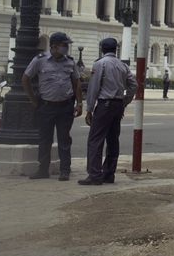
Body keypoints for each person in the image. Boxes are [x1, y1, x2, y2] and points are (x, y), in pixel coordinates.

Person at [22, 32, 83, 181]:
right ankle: (43, 169)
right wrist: (33, 100)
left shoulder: (70, 62)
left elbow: (77, 83)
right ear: (54, 46)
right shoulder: (40, 60)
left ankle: (65, 171)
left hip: (65, 106)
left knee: (64, 140)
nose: (66, 48)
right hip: (46, 106)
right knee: (44, 139)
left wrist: (79, 103)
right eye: (64, 45)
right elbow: (25, 78)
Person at [79, 38, 137, 186]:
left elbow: (93, 88)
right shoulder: (122, 65)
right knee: (112, 140)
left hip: (105, 104)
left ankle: (94, 174)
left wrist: (89, 109)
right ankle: (109, 173)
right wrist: (124, 102)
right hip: (117, 105)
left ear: (102, 49)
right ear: (115, 49)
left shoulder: (100, 64)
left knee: (95, 140)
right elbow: (133, 85)